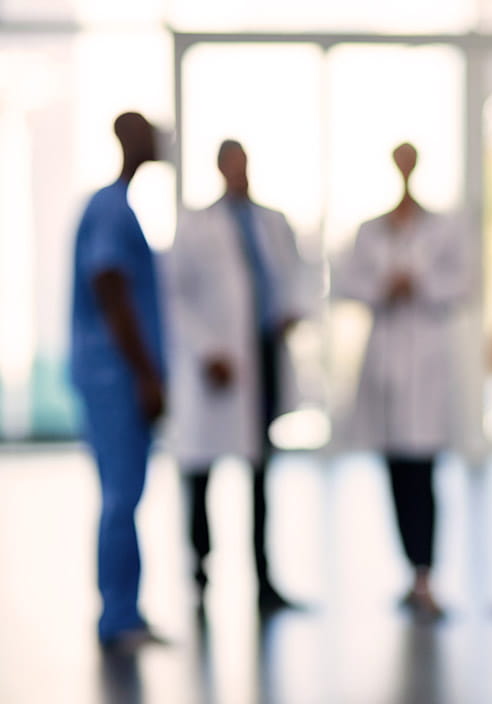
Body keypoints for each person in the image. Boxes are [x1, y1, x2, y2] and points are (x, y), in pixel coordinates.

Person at [166, 139, 307, 613]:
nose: (239, 173)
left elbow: (292, 278)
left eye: (244, 164)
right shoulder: (195, 225)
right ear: (220, 169)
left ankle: (264, 580)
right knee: (201, 473)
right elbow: (176, 297)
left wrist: (290, 312)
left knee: (261, 472)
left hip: (261, 355)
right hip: (218, 365)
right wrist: (208, 351)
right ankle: (201, 577)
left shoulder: (272, 223)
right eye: (231, 165)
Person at [332, 143, 471, 621]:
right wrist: (382, 287)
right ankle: (412, 572)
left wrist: (422, 283)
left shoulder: (444, 226)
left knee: (424, 475)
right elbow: (347, 283)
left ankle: (426, 574)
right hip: (387, 365)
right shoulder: (372, 229)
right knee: (396, 474)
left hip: (426, 362)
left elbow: (466, 282)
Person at [70, 111, 169, 652]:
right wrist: (146, 374)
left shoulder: (115, 207)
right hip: (114, 377)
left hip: (111, 374)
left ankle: (124, 609)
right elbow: (110, 288)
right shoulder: (111, 209)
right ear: (129, 137)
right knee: (120, 494)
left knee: (123, 494)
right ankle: (118, 614)